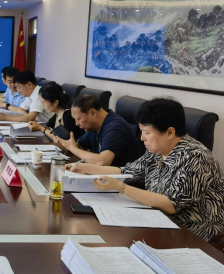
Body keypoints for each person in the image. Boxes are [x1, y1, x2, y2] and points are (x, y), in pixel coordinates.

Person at [69, 98, 224, 242]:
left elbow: (171, 204)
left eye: (147, 132)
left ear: (170, 132)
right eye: (141, 131)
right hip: (158, 220)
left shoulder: (196, 157)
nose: (142, 137)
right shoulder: (157, 150)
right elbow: (128, 171)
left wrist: (120, 187)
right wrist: (86, 167)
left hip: (193, 232)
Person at [57, 94, 141, 167]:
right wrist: (67, 144)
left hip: (122, 178)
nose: (76, 124)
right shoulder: (94, 126)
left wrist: (73, 148)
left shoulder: (115, 128)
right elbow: (78, 145)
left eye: (78, 119)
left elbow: (102, 162)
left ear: (92, 113)